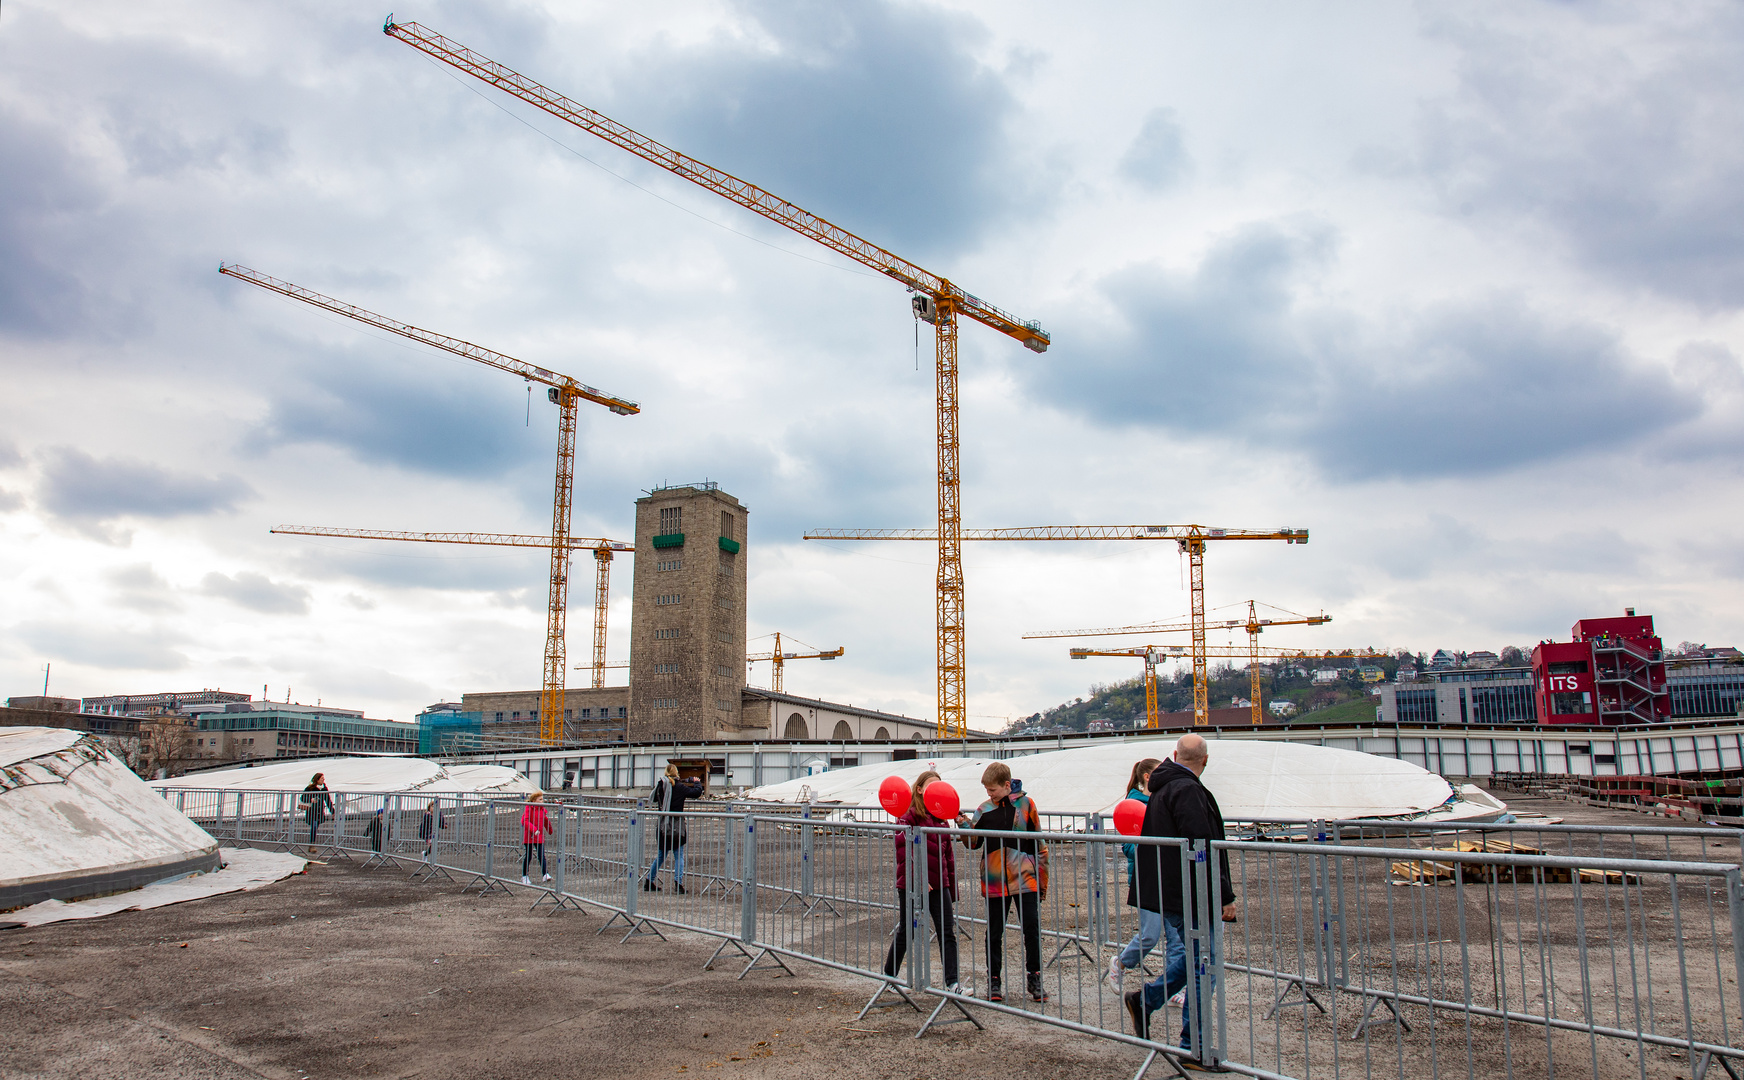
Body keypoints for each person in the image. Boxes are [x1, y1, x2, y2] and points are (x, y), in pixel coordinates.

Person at [1125, 734, 1236, 1069]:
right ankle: (1194, 1047)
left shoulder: (1163, 788)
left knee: (1198, 959)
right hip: (1189, 892)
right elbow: (1202, 844)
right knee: (1206, 964)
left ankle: (1148, 999)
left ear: (1174, 754)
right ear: (1205, 760)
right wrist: (1224, 894)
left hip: (1172, 890)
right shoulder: (1186, 790)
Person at [960, 761, 1049, 1004]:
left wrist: (1042, 879)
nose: (989, 794)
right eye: (987, 790)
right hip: (995, 880)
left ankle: (1035, 977)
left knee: (1031, 927)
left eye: (993, 790)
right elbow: (973, 843)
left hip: (1025, 877)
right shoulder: (983, 809)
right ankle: (994, 981)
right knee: (995, 931)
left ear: (1007, 785)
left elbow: (1040, 843)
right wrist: (964, 827)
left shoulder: (1027, 805)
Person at [882, 770, 960, 989]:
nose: (936, 789)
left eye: (939, 785)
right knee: (907, 931)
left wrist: (950, 887)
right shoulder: (909, 816)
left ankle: (953, 983)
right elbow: (903, 851)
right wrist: (918, 879)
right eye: (931, 785)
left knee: (947, 931)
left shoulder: (942, 818)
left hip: (939, 883)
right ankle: (890, 976)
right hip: (913, 885)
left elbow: (948, 856)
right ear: (919, 789)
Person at [1107, 757, 1163, 989]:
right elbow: (1129, 847)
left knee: (1177, 940)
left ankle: (1172, 988)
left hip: (1168, 876)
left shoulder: (1161, 801)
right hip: (1146, 878)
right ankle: (1120, 964)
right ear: (1148, 777)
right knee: (1150, 934)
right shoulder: (1133, 804)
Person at [644, 763, 704, 893]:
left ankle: (649, 880)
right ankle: (678, 883)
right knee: (679, 855)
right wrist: (697, 782)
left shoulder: (661, 785)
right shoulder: (679, 787)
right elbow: (696, 793)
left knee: (661, 855)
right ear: (676, 774)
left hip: (662, 825)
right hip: (676, 825)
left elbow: (654, 798)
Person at [520, 792, 552, 885]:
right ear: (534, 800)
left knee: (541, 856)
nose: (542, 801)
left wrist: (549, 829)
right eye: (540, 799)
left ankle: (545, 874)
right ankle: (524, 876)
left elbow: (545, 820)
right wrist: (533, 830)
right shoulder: (528, 808)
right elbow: (524, 821)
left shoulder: (542, 809)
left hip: (539, 836)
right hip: (530, 836)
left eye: (542, 799)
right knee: (528, 856)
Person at [299, 773, 333, 854]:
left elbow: (327, 800)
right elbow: (303, 797)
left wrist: (332, 811)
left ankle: (312, 844)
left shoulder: (324, 789)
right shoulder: (310, 788)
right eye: (321, 778)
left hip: (320, 811)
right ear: (317, 779)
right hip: (312, 811)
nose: (323, 780)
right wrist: (311, 799)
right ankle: (312, 844)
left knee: (315, 826)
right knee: (314, 826)